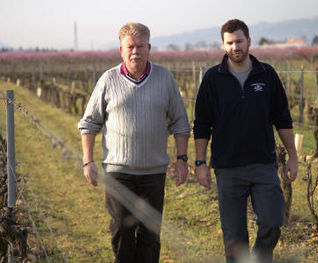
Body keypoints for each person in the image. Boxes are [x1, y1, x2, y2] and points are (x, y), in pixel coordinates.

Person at [78, 22, 190, 263]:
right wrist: (88, 161)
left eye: (140, 46)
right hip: (119, 173)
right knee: (121, 232)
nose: (135, 51)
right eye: (130, 46)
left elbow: (180, 122)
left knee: (150, 235)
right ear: (121, 49)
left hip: (154, 172)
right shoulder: (108, 80)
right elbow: (89, 124)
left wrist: (182, 159)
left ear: (149, 48)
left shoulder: (165, 78)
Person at [193, 19, 298, 263]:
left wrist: (292, 157)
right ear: (223, 45)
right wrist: (200, 162)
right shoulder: (212, 79)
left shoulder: (267, 74)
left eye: (239, 41)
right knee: (234, 239)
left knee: (273, 221)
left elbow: (282, 118)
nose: (235, 47)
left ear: (249, 41)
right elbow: (201, 125)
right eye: (229, 43)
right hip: (228, 168)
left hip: (263, 164)